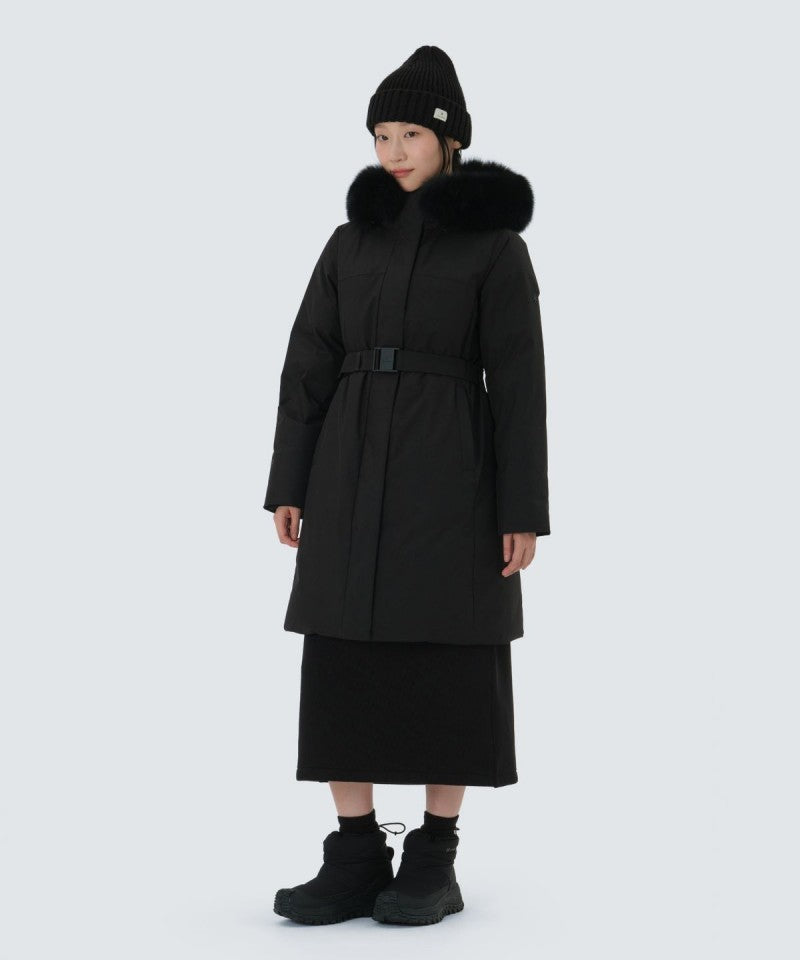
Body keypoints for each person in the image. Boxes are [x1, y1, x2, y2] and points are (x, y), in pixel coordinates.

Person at [264, 45, 550, 926]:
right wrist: (289, 481)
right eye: (381, 135)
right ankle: (355, 855)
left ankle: (433, 858)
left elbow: (520, 383)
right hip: (348, 469)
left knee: (447, 658)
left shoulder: (495, 249)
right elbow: (308, 362)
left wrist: (522, 509)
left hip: (452, 473)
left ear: (450, 139)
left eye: (411, 135)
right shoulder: (349, 243)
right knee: (341, 656)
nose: (393, 152)